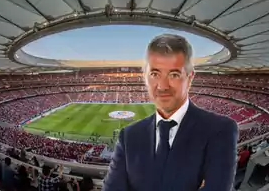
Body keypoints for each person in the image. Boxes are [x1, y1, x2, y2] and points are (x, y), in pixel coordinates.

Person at [102, 34, 239, 191]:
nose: (162, 86)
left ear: (189, 78)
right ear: (145, 78)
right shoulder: (129, 135)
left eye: (174, 74)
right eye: (155, 74)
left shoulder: (220, 130)